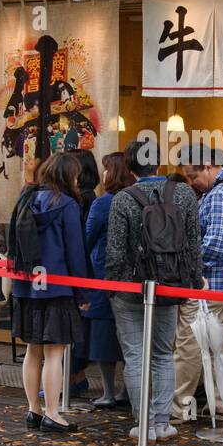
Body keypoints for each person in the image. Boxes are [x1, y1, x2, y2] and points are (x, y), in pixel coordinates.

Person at [105, 139, 202, 442]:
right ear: (159, 164)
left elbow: (116, 250)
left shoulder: (123, 198)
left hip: (132, 288)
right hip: (171, 285)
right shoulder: (184, 193)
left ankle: (143, 423)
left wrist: (114, 287)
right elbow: (193, 243)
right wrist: (193, 280)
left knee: (135, 356)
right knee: (163, 353)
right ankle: (162, 422)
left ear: (130, 168)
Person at [171, 145, 223, 419]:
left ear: (208, 166)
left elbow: (213, 246)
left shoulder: (218, 195)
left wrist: (186, 264)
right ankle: (219, 403)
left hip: (209, 284)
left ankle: (178, 405)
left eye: (193, 176)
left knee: (189, 345)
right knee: (220, 348)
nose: (191, 183)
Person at [11, 152, 89, 435]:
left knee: (33, 350)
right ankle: (53, 414)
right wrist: (82, 293)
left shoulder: (26, 198)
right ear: (69, 176)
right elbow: (75, 252)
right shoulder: (67, 205)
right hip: (57, 286)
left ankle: (34, 409)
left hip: (26, 285)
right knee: (54, 353)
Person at [85, 152, 133, 409]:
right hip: (132, 279)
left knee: (104, 336)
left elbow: (88, 236)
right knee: (129, 336)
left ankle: (107, 392)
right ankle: (126, 391)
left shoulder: (103, 203)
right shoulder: (138, 199)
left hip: (103, 276)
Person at [67, 149, 101, 397]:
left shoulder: (84, 199)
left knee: (76, 324)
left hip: (81, 270)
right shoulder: (88, 197)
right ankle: (76, 376)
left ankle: (74, 375)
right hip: (86, 269)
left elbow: (82, 237)